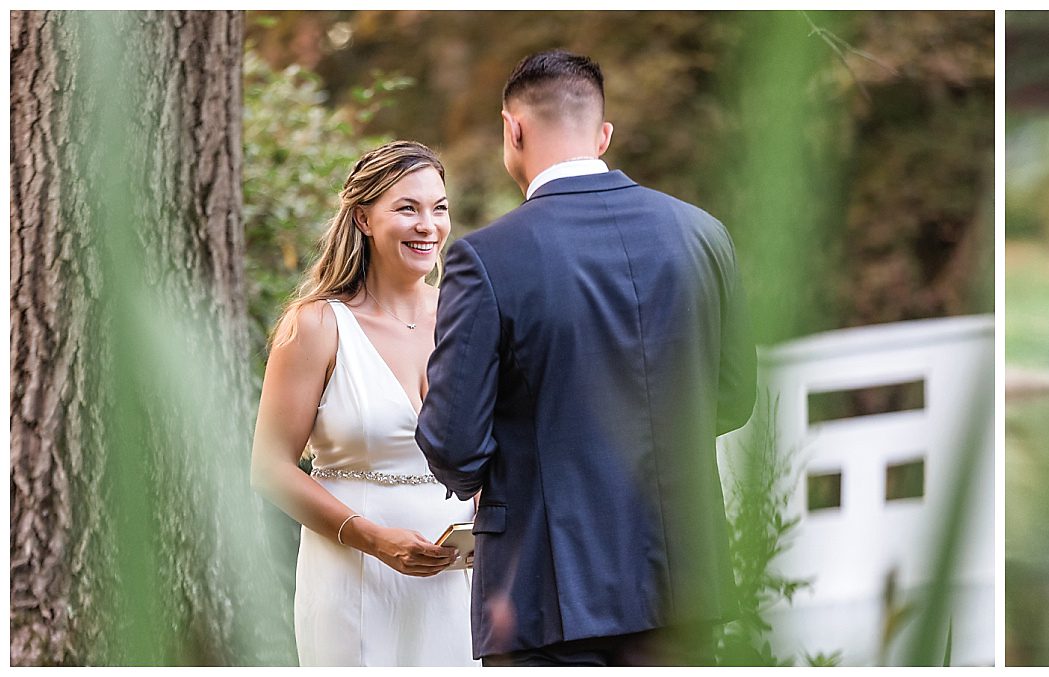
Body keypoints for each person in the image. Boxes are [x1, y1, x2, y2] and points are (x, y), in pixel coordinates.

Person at [416, 49, 754, 667]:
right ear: (602, 136)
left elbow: (455, 443)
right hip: (685, 587)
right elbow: (732, 396)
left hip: (547, 592)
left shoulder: (485, 258)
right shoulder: (703, 234)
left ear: (511, 129)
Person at [250, 140, 475, 666]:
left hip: (456, 581)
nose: (429, 225)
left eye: (438, 208)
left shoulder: (468, 318)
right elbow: (270, 469)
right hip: (352, 578)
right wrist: (373, 540)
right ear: (364, 219)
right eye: (407, 208)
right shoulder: (316, 325)